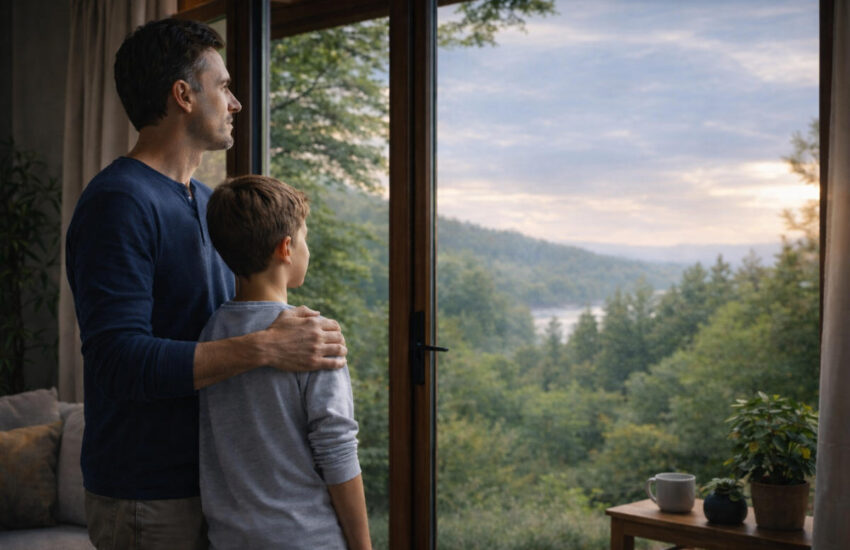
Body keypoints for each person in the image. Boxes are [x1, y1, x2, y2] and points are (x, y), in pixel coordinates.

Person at [65, 18, 346, 550]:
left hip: (220, 489)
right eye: (223, 86)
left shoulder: (205, 200)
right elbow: (118, 360)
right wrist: (267, 347)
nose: (236, 102)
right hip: (149, 495)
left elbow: (224, 316)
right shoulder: (118, 202)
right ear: (183, 96)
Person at [199, 175, 371, 550]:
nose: (308, 248)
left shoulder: (209, 336)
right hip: (306, 539)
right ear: (286, 248)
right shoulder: (314, 336)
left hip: (229, 539)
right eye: (305, 238)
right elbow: (337, 450)